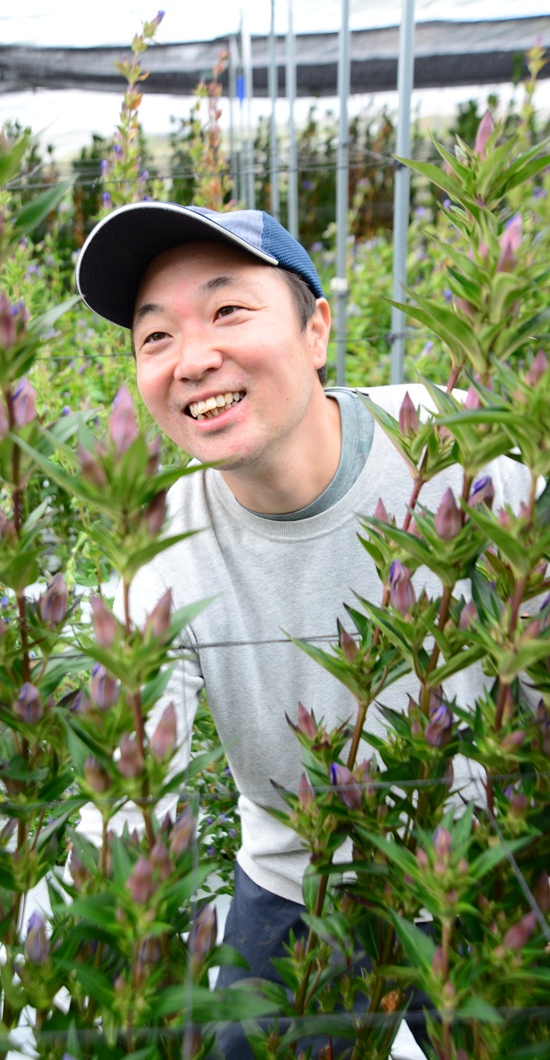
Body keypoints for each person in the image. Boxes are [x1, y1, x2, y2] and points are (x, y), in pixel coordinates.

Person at [74, 202, 529, 1058]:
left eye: (227, 311)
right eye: (154, 337)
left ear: (316, 328)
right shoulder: (161, 548)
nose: (192, 358)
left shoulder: (456, 444)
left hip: (487, 867)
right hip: (296, 880)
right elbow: (132, 781)